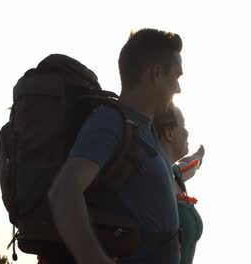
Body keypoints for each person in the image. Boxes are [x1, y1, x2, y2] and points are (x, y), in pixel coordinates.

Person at [48, 28, 184, 264]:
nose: (178, 88)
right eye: (177, 77)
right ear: (157, 73)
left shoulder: (146, 128)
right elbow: (63, 190)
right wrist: (94, 259)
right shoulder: (110, 122)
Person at [153, 102, 205, 264]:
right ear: (169, 133)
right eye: (182, 125)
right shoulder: (151, 180)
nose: (187, 131)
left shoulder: (175, 174)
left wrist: (199, 156)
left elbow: (189, 165)